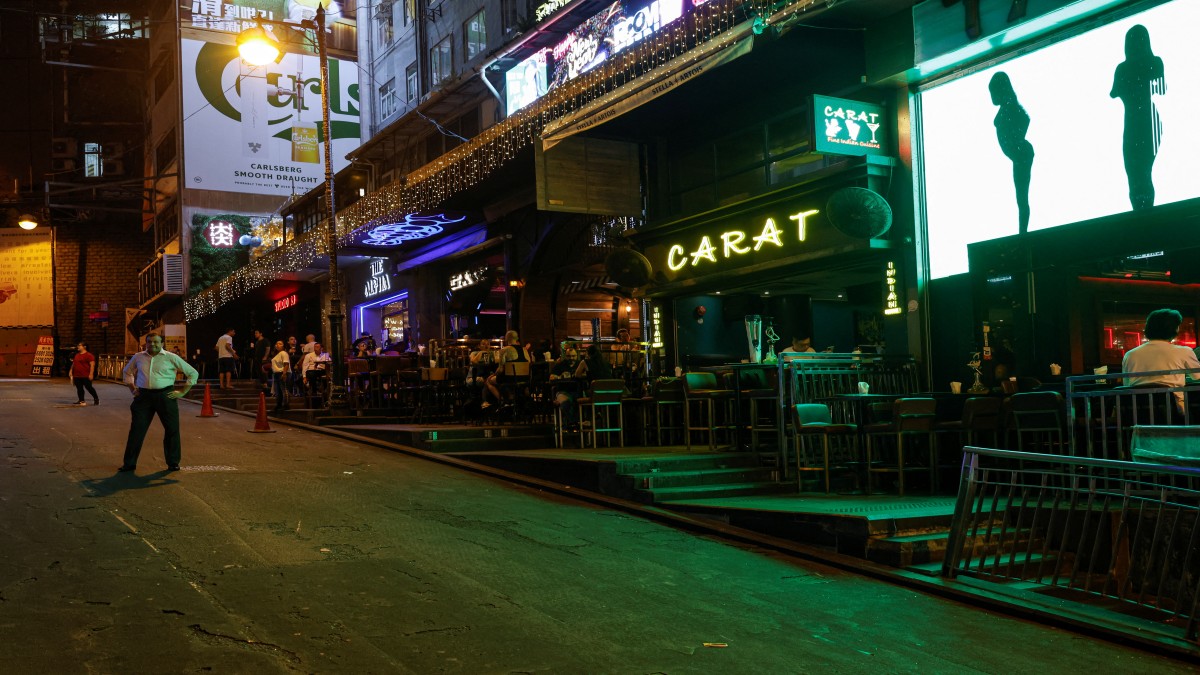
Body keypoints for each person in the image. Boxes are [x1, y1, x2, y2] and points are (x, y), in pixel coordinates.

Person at [119, 332, 198, 473]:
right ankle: (129, 463)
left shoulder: (171, 357)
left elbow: (193, 373)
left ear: (162, 344)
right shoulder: (138, 357)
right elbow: (127, 372)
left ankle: (173, 462)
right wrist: (132, 389)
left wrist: (183, 391)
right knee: (137, 430)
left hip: (165, 395)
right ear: (146, 343)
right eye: (149, 342)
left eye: (156, 342)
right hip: (143, 397)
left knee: (172, 429)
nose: (152, 344)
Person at [1110, 24, 1165, 211]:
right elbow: (1162, 89)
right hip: (1149, 121)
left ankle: (1140, 214)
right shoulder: (1154, 63)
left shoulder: (1123, 69)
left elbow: (1114, 93)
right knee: (1143, 172)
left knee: (1135, 174)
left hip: (1134, 123)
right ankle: (1146, 212)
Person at [1122, 309, 1200, 413]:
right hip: (1174, 411)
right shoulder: (1184, 351)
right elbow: (1197, 377)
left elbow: (1126, 384)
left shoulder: (1130, 355)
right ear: (1175, 329)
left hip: (1138, 413)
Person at [989, 71, 1035, 234]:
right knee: (1021, 198)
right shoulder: (1008, 106)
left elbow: (1025, 118)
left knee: (1022, 198)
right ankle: (1022, 231)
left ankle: (1023, 232)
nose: (991, 97)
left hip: (1021, 153)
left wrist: (1017, 139)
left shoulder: (1009, 106)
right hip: (1019, 154)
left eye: (992, 92)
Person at [485, 330, 531, 408]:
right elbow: (529, 363)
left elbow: (500, 369)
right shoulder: (524, 350)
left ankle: (504, 402)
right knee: (509, 382)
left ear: (506, 339)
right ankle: (511, 399)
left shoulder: (504, 349)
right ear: (517, 338)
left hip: (509, 379)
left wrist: (493, 375)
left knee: (489, 381)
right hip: (525, 378)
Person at [70, 341, 99, 406]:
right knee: (79, 388)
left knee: (89, 387)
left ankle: (96, 398)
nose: (78, 347)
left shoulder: (89, 355)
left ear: (84, 347)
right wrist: (71, 370)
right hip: (77, 375)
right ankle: (81, 400)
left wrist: (91, 374)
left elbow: (92, 365)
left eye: (80, 345)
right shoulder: (77, 355)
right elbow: (74, 363)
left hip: (85, 375)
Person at [269, 340, 291, 413]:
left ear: (283, 345)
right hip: (276, 373)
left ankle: (286, 405)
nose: (278, 345)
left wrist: (284, 373)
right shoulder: (276, 354)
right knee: (278, 391)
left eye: (280, 344)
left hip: (283, 372)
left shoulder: (284, 353)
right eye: (277, 343)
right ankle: (279, 405)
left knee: (284, 389)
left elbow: (286, 364)